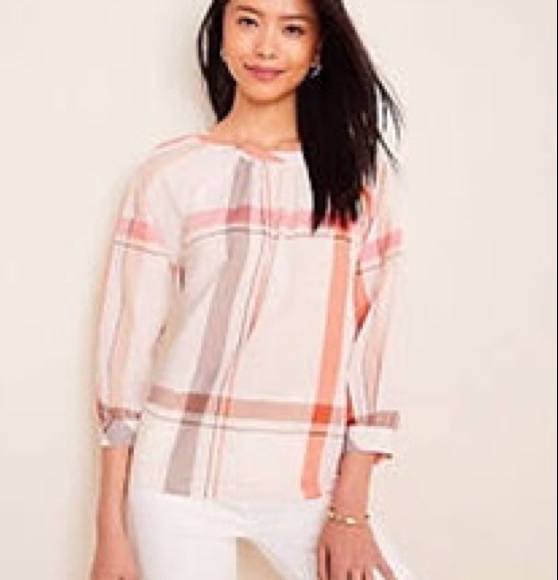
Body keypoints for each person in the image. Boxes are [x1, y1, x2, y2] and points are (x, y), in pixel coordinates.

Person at [90, 0, 413, 578]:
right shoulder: (169, 175)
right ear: (220, 34)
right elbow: (127, 354)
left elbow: (375, 345)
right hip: (177, 483)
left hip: (311, 479)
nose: (266, 47)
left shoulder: (360, 179)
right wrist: (110, 532)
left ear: (317, 47)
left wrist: (351, 510)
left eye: (292, 29)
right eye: (247, 21)